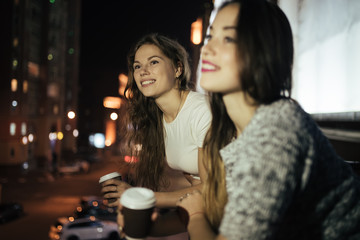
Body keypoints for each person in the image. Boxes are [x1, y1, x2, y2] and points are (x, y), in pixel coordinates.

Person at [177, 0, 360, 240]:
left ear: (262, 52)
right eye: (210, 37)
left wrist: (196, 215)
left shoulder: (276, 128)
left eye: (228, 39)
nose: (208, 49)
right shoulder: (230, 135)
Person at [102, 33, 211, 237]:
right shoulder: (159, 122)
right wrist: (140, 225)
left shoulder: (201, 111)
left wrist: (144, 196)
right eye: (137, 66)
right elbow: (196, 202)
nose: (143, 71)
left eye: (153, 62)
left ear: (178, 68)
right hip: (206, 222)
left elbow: (209, 191)